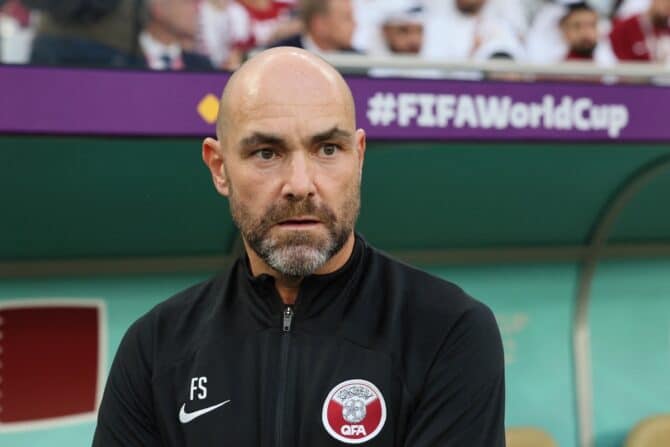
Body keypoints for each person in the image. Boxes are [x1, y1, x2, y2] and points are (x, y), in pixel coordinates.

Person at [92, 47, 505, 446]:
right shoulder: (154, 349)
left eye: (328, 149)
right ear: (219, 168)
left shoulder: (448, 330)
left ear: (358, 158)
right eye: (267, 153)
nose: (301, 185)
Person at [140, 0, 213, 70]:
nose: (197, 9)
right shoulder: (130, 61)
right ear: (159, 7)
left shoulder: (204, 67)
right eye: (188, 1)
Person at [270, 0, 359, 54]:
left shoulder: (359, 63)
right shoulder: (278, 55)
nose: (355, 24)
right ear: (320, 25)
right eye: (347, 18)